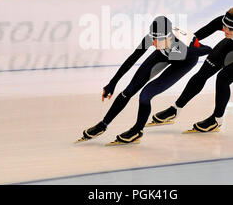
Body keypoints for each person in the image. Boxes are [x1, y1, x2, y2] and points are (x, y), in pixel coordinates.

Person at [76, 16, 212, 145]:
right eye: (152, 38)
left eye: (156, 39)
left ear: (167, 37)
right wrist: (113, 82)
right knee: (129, 90)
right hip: (164, 54)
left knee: (145, 95)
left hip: (184, 62)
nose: (152, 43)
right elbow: (132, 58)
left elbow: (208, 49)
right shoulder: (154, 39)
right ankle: (103, 124)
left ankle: (137, 130)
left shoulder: (183, 47)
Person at [150, 6, 233, 133]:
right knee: (202, 73)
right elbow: (198, 35)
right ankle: (175, 109)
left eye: (231, 29)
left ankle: (216, 120)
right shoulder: (225, 23)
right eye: (225, 27)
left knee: (223, 78)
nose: (226, 30)